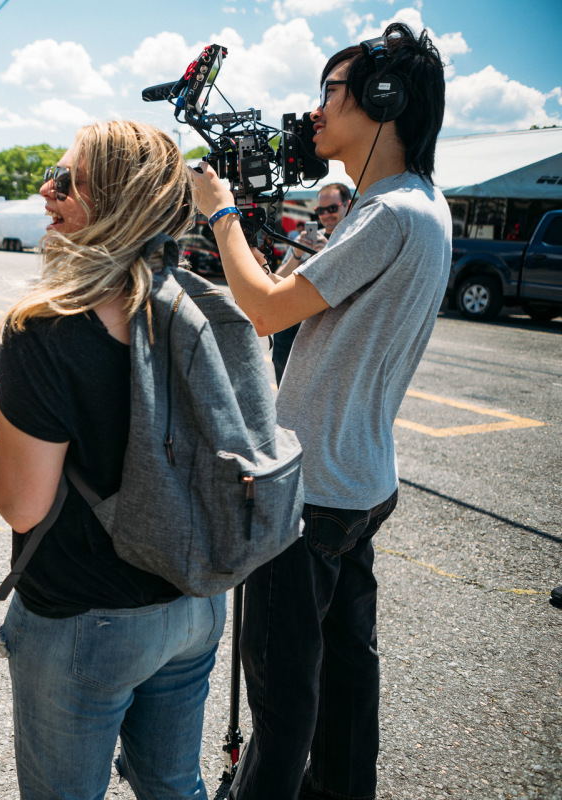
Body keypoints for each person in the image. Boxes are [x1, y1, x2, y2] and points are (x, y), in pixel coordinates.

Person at [190, 23, 451, 800]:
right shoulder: (420, 206)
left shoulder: (388, 215)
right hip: (361, 482)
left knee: (283, 705)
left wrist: (221, 212)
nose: (314, 112)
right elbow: (304, 303)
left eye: (328, 93)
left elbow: (266, 312)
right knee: (344, 687)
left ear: (382, 99)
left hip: (309, 496)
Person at [0, 120, 225, 799]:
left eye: (65, 179)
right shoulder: (193, 302)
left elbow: (22, 501)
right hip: (193, 599)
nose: (46, 189)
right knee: (173, 786)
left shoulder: (45, 325)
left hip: (86, 618)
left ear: (114, 199)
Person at [270, 182, 352, 383]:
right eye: (321, 210)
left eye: (332, 208)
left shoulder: (351, 240)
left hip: (326, 332)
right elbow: (277, 281)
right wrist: (296, 254)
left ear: (347, 206)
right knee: (285, 388)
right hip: (291, 328)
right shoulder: (305, 241)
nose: (326, 215)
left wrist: (328, 253)